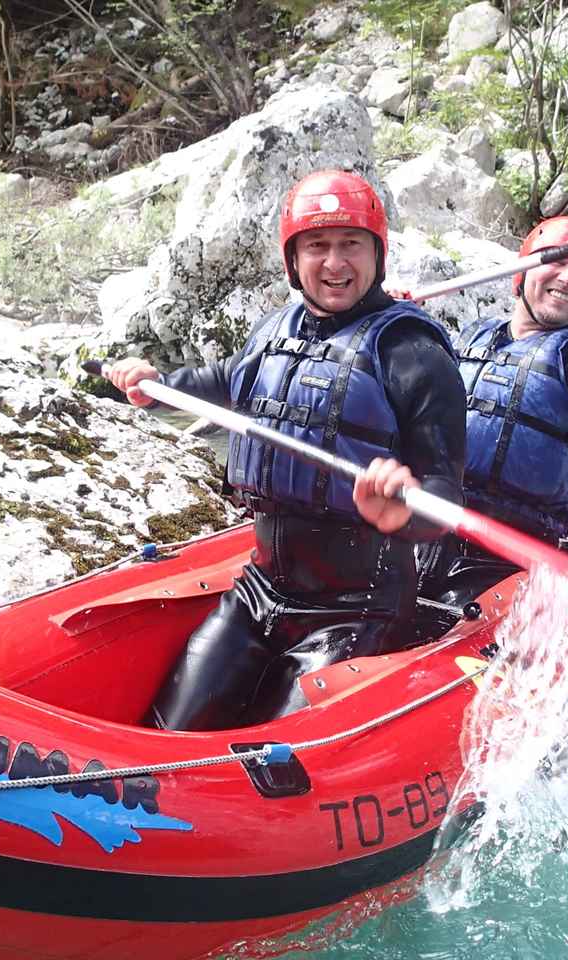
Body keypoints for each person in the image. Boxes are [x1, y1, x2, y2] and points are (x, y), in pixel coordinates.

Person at [102, 169, 467, 731]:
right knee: (168, 727)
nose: (335, 262)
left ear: (378, 253)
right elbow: (223, 381)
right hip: (261, 590)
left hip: (358, 610)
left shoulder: (413, 353)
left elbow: (445, 492)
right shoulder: (274, 331)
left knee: (273, 751)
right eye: (316, 246)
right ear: (293, 260)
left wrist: (406, 511)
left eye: (351, 244)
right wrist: (158, 385)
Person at [417, 213, 568, 606]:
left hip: (513, 557)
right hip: (427, 526)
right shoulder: (472, 336)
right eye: (557, 261)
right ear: (520, 275)